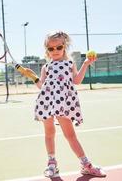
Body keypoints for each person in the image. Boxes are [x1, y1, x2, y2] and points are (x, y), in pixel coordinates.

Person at [25, 31, 106, 178]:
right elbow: (42, 86)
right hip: (47, 102)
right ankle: (51, 164)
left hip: (64, 103)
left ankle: (86, 165)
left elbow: (76, 81)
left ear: (64, 46)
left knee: (70, 135)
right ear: (47, 50)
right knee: (49, 134)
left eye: (58, 47)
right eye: (51, 48)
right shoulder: (46, 67)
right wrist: (33, 77)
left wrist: (86, 64)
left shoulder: (70, 64)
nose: (55, 51)